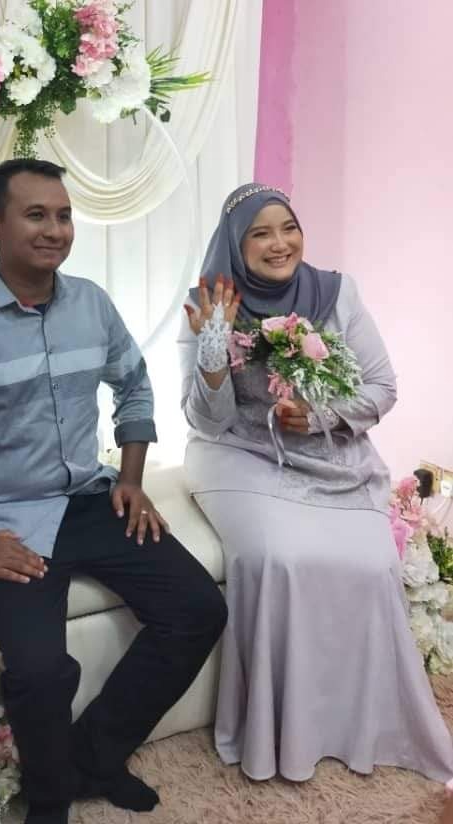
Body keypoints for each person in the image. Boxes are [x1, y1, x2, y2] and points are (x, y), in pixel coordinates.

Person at [0, 158, 227, 824]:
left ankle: (95, 758)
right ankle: (47, 802)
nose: (54, 229)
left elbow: (133, 385)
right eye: (35, 215)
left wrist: (130, 479)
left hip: (92, 500)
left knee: (197, 610)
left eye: (64, 215)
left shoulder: (91, 305)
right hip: (5, 520)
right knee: (41, 671)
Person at [178, 182, 453, 782]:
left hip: (330, 451)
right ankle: (280, 731)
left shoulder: (336, 292)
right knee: (274, 556)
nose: (279, 243)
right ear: (235, 244)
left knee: (374, 563)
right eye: (260, 233)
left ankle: (357, 722)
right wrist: (213, 346)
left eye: (289, 228)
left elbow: (382, 386)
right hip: (239, 452)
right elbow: (208, 420)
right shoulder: (209, 301)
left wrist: (323, 414)